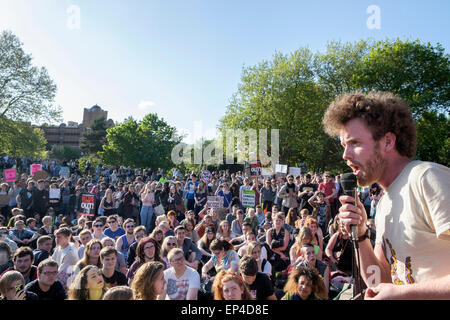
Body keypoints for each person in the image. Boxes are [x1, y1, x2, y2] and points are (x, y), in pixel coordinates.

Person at [323, 91, 450, 299]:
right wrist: (362, 234)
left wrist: (404, 293)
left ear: (388, 142)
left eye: (354, 143)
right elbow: (377, 282)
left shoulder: (426, 178)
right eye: (344, 146)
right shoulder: (384, 205)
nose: (345, 156)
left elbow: (398, 291)